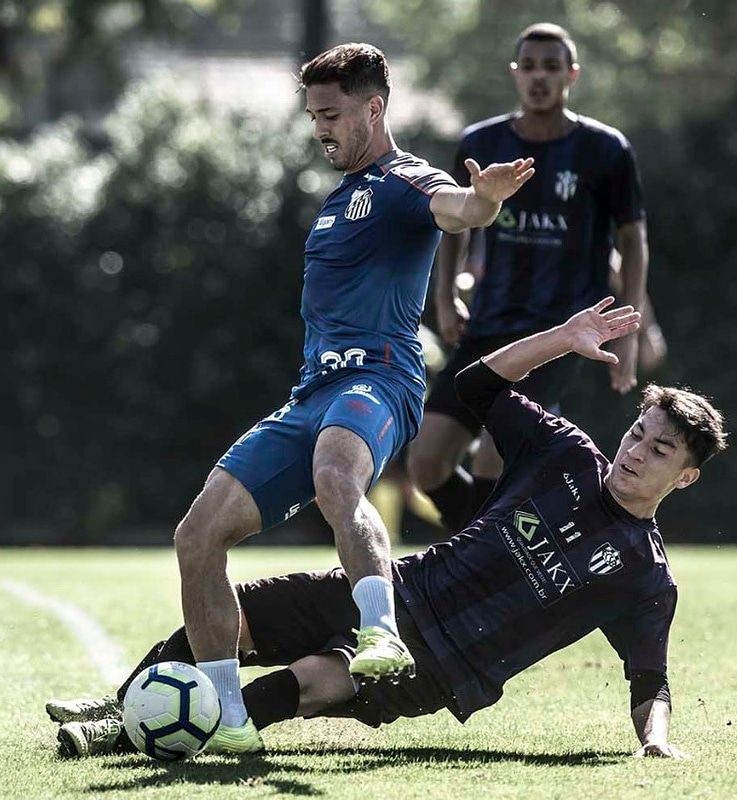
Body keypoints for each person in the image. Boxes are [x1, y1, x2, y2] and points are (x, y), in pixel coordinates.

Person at [47, 298, 727, 760]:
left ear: (685, 477)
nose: (636, 451)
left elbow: (649, 681)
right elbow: (472, 389)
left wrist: (654, 740)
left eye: (659, 450)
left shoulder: (642, 573)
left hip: (436, 666)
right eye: (638, 433)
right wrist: (561, 340)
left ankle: (129, 737)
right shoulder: (565, 453)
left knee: (312, 681)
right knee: (235, 619)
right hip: (391, 594)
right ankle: (125, 703)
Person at [171, 41, 535, 753]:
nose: (319, 128)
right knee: (195, 536)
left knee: (335, 475)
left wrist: (484, 200)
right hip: (311, 394)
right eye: (312, 115)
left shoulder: (404, 179)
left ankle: (381, 632)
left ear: (374, 107)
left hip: (381, 377)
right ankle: (229, 721)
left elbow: (456, 209)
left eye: (331, 113)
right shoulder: (343, 196)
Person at [407, 22, 652, 533]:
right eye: (530, 67)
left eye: (552, 67)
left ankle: (477, 569)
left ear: (572, 74)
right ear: (516, 74)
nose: (540, 77)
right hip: (489, 324)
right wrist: (446, 293)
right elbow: (457, 224)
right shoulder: (483, 141)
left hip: (562, 331)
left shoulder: (605, 150)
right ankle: (483, 550)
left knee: (494, 458)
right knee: (425, 463)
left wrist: (631, 331)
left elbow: (632, 241)